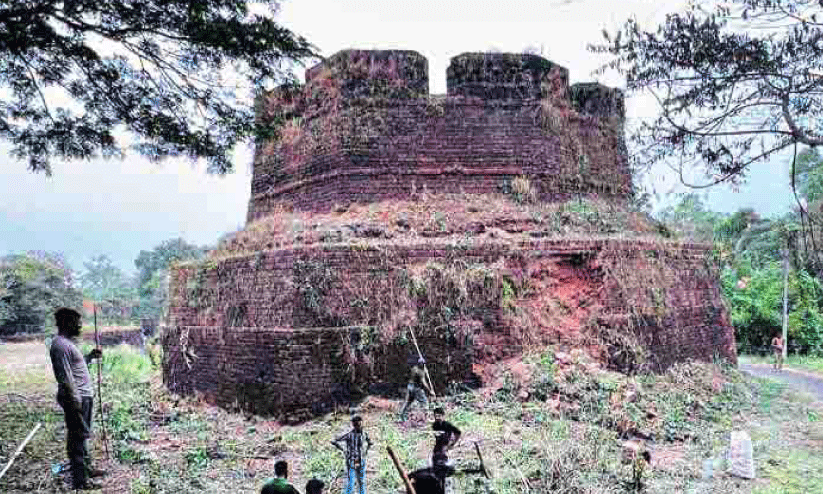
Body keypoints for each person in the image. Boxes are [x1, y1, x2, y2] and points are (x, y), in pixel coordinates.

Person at [48, 307, 105, 490]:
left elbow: (75, 368)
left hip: (82, 397)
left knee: (81, 435)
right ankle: (80, 481)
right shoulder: (60, 345)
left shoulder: (68, 343)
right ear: (66, 322)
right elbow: (65, 378)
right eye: (76, 322)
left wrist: (89, 357)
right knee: (77, 438)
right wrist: (75, 402)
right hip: (77, 398)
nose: (80, 325)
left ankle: (86, 469)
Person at [332, 415, 372, 494]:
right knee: (351, 482)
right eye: (356, 424)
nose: (358, 426)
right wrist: (344, 450)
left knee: (361, 482)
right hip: (352, 461)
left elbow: (370, 443)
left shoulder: (364, 434)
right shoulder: (349, 435)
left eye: (359, 424)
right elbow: (334, 441)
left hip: (361, 460)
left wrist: (365, 452)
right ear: (353, 425)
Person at [399, 357, 433, 421]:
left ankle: (402, 416)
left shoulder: (414, 368)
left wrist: (425, 372)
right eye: (423, 364)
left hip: (409, 386)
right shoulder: (420, 372)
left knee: (407, 402)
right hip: (416, 388)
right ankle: (427, 417)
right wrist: (430, 391)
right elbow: (424, 383)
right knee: (424, 402)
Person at [431, 407, 461, 481]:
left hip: (445, 445)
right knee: (435, 458)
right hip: (438, 445)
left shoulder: (447, 424)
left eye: (439, 416)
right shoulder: (435, 425)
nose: (438, 418)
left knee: (442, 459)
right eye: (436, 416)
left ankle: (444, 477)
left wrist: (452, 443)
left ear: (443, 416)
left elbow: (458, 432)